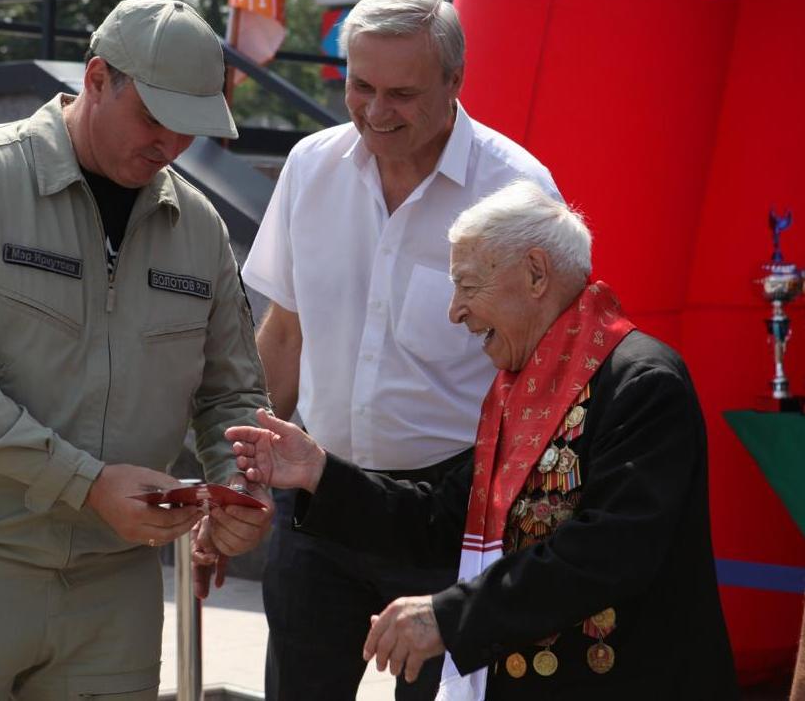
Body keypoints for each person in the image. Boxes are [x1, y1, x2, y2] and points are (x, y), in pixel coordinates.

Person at [0, 0, 272, 701]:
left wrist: (241, 489)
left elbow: (231, 395)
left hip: (115, 585)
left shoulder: (198, 229)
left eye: (190, 129)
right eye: (154, 118)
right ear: (97, 78)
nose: (171, 144)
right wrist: (86, 483)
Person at [229, 182, 739, 700]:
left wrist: (449, 615)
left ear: (536, 274)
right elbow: (445, 517)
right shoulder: (524, 387)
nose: (455, 311)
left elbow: (610, 551)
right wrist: (318, 471)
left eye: (467, 286)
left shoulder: (641, 381)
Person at [237, 0, 558, 700]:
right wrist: (237, 475)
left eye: (402, 94)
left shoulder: (516, 194)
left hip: (451, 519)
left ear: (455, 83)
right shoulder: (310, 167)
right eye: (361, 87)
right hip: (315, 504)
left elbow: (546, 382)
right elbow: (285, 336)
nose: (376, 113)